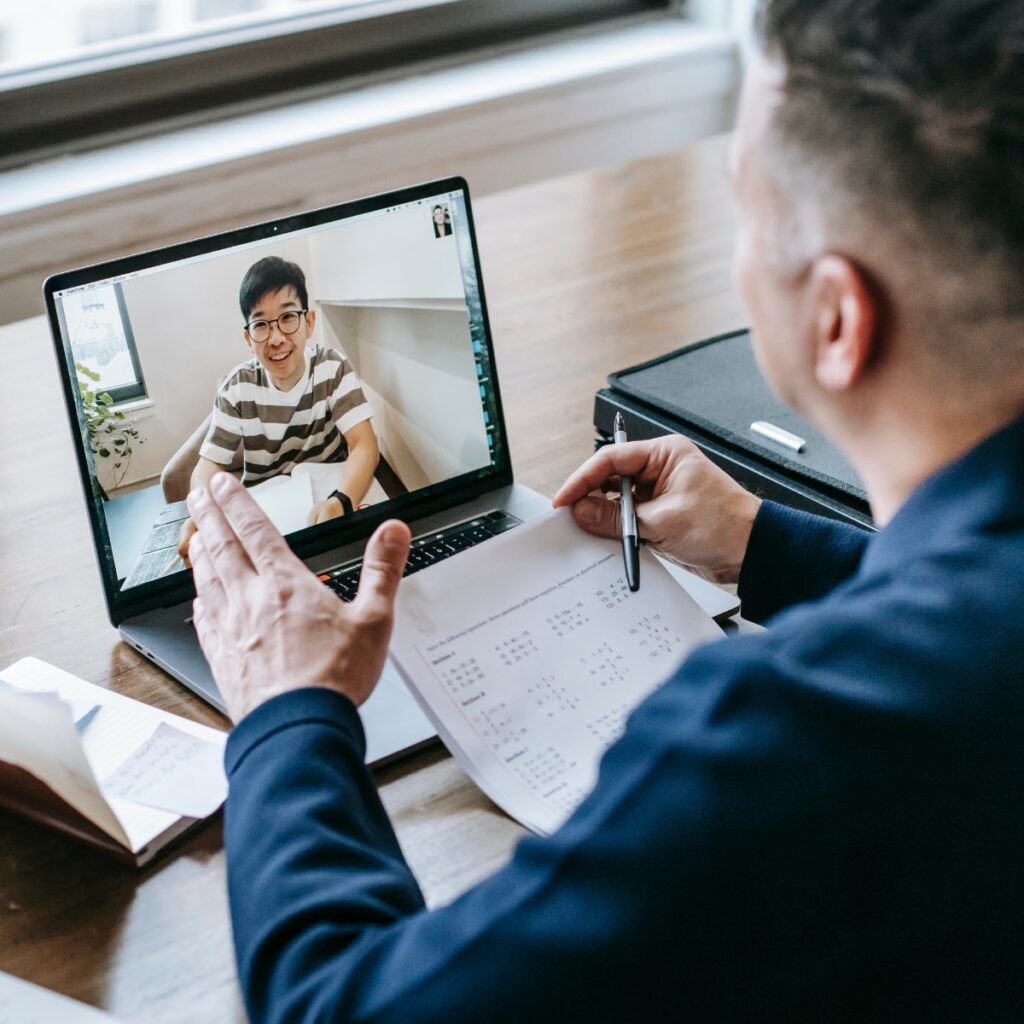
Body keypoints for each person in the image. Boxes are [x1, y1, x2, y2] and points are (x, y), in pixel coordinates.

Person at [186, 1, 1024, 1019]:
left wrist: (285, 712)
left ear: (836, 320)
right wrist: (769, 547)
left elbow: (341, 1006)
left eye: (743, 210)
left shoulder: (785, 745)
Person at [177, 256, 379, 563]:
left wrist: (341, 502)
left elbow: (364, 443)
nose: (276, 338)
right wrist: (204, 513)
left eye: (287, 318)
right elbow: (208, 467)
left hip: (331, 505)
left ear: (308, 322)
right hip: (266, 520)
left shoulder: (332, 367)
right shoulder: (236, 388)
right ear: (248, 338)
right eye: (260, 325)